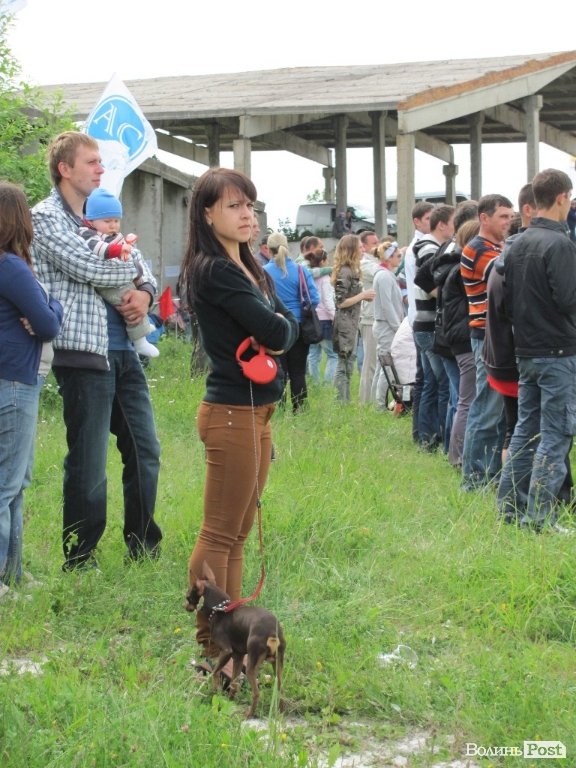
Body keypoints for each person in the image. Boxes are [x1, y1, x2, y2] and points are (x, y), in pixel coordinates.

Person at [179, 167, 298, 660]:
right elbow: (280, 331)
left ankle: (228, 644)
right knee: (219, 533)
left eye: (250, 204)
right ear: (207, 214)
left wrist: (282, 326)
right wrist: (283, 327)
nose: (247, 214)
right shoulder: (215, 269)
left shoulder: (246, 265)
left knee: (238, 536)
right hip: (231, 412)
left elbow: (288, 324)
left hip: (255, 411)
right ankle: (211, 647)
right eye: (234, 205)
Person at [31, 130, 163, 570]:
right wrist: (125, 264)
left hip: (125, 350)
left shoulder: (102, 214)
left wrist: (143, 292)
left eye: (100, 162)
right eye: (91, 162)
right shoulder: (45, 217)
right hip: (84, 355)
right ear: (64, 169)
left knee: (146, 450)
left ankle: (143, 545)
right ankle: (80, 556)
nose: (100, 169)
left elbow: (140, 266)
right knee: (88, 462)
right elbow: (89, 264)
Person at [497, 169, 576, 531]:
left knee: (525, 433)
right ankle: (539, 519)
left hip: (526, 352)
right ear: (562, 197)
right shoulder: (559, 244)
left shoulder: (516, 242)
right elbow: (569, 300)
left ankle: (509, 509)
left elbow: (504, 303)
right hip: (557, 353)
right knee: (555, 435)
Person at [0, 183, 63, 599]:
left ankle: (14, 573)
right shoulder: (11, 267)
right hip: (15, 383)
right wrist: (52, 305)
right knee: (7, 485)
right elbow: (49, 324)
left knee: (16, 482)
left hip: (10, 379)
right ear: (20, 219)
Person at [460, 193, 514, 490]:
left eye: (510, 216)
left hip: (489, 334)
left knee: (494, 410)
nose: (509, 221)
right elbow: (510, 277)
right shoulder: (480, 249)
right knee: (486, 409)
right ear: (484, 218)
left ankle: (487, 474)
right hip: (485, 335)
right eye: (503, 216)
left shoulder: (491, 247)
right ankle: (475, 479)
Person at [79, 188, 159, 358]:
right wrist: (124, 255)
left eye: (116, 220)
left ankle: (142, 326)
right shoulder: (88, 234)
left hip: (120, 280)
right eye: (107, 221)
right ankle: (140, 340)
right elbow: (101, 251)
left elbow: (144, 271)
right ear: (91, 220)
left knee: (136, 295)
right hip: (109, 286)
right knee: (126, 300)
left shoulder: (113, 236)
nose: (113, 225)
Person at [411, 205, 454, 450]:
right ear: (442, 225)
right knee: (441, 383)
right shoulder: (429, 248)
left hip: (422, 322)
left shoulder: (426, 246)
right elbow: (429, 282)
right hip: (428, 323)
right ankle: (434, 436)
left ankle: (425, 435)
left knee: (429, 382)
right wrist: (449, 296)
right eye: (453, 223)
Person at [264, 231, 319, 412]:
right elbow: (314, 299)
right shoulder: (301, 270)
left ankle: (278, 408)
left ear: (268, 250)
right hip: (298, 327)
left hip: (274, 326)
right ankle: (300, 408)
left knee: (278, 371)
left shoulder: (263, 272)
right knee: (298, 371)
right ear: (287, 248)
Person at [404, 201, 435, 443]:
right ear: (417, 221)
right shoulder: (422, 246)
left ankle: (420, 434)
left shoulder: (416, 245)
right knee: (429, 383)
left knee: (423, 380)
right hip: (423, 317)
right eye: (428, 219)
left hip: (416, 317)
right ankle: (426, 435)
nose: (432, 224)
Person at [332, 234, 375, 402]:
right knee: (344, 365)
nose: (363, 249)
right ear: (352, 250)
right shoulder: (345, 271)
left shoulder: (351, 270)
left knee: (348, 363)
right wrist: (363, 295)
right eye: (360, 247)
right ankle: (341, 401)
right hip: (345, 324)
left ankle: (344, 400)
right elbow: (340, 301)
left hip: (351, 323)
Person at [372, 240, 404, 410]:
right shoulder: (383, 276)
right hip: (386, 326)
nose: (400, 258)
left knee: (381, 367)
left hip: (386, 325)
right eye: (398, 255)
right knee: (386, 366)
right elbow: (387, 305)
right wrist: (398, 328)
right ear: (389, 258)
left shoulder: (386, 274)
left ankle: (376, 403)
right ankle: (379, 406)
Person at [306, 248, 338, 384]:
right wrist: (335, 318)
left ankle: (315, 382)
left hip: (312, 319)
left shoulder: (309, 277)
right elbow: (327, 301)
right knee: (333, 355)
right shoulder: (325, 279)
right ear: (323, 261)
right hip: (324, 320)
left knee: (313, 354)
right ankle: (327, 383)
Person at [358, 230, 381, 403]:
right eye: (374, 243)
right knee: (370, 363)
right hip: (369, 318)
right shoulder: (365, 263)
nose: (378, 246)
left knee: (380, 362)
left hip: (379, 316)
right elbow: (381, 273)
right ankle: (365, 402)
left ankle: (376, 399)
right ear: (364, 247)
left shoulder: (376, 261)